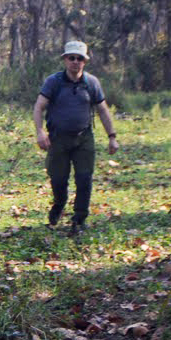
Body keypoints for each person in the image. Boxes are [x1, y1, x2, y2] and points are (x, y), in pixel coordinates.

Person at [34, 39, 118, 237]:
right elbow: (39, 106)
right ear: (64, 59)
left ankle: (79, 219)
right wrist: (40, 132)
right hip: (58, 139)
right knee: (58, 179)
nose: (75, 62)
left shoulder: (92, 83)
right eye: (71, 58)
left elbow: (103, 110)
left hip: (84, 138)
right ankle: (59, 205)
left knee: (84, 179)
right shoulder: (53, 82)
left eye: (79, 58)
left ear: (85, 62)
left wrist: (112, 136)